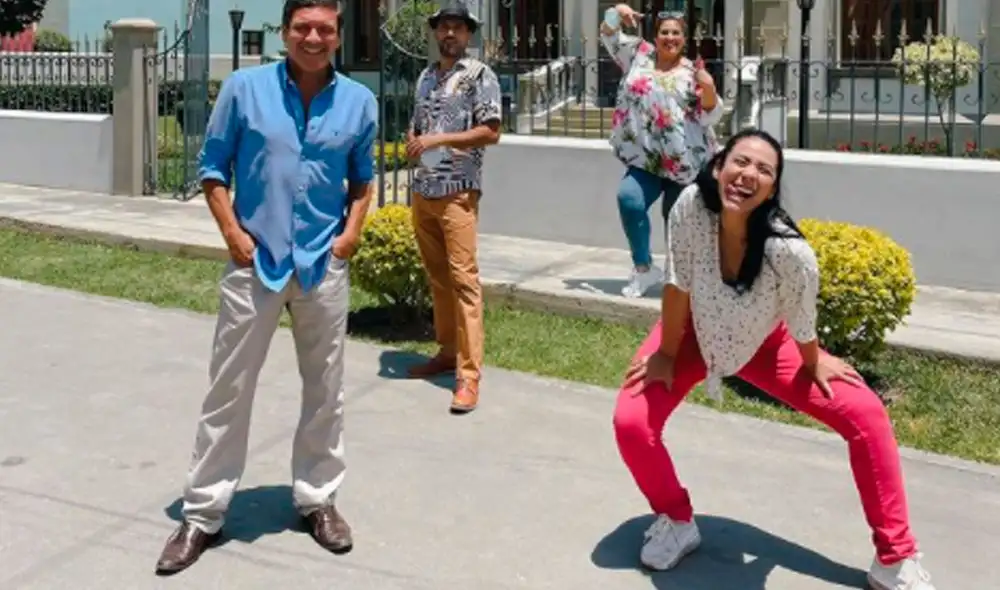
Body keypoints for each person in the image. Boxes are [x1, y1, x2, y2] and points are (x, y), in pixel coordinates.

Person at [612, 129, 937, 590]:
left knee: (866, 413)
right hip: (689, 334)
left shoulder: (790, 251)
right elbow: (678, 281)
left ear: (773, 186)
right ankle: (677, 520)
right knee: (631, 421)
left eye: (764, 170)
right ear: (718, 166)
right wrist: (666, 353)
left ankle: (895, 557)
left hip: (766, 344)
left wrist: (813, 359)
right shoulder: (689, 206)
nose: (748, 175)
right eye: (740, 162)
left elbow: (802, 317)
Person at [155, 0, 377, 575]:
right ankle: (203, 512)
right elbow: (212, 167)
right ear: (284, 33)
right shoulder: (244, 89)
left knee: (326, 389)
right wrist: (232, 232)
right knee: (228, 388)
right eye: (302, 27)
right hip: (255, 262)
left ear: (337, 37)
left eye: (324, 29)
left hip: (321, 266)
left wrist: (350, 235)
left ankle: (318, 498)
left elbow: (362, 180)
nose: (313, 37)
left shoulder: (359, 101)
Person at [403, 2, 502, 415]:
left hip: (458, 192)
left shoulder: (480, 76)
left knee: (464, 282)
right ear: (435, 33)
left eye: (458, 29)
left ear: (468, 35)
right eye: (444, 28)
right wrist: (412, 140)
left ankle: (469, 375)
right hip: (424, 191)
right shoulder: (427, 76)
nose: (450, 35)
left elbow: (491, 132)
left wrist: (438, 142)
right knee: (438, 278)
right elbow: (419, 126)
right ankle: (447, 351)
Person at [600, 4, 723, 298]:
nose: (670, 37)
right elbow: (608, 34)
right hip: (647, 157)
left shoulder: (694, 72)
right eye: (665, 32)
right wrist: (616, 11)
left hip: (685, 161)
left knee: (676, 219)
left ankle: (678, 278)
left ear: (684, 38)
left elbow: (711, 116)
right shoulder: (638, 55)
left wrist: (708, 89)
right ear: (655, 36)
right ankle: (643, 269)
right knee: (629, 199)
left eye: (676, 33)